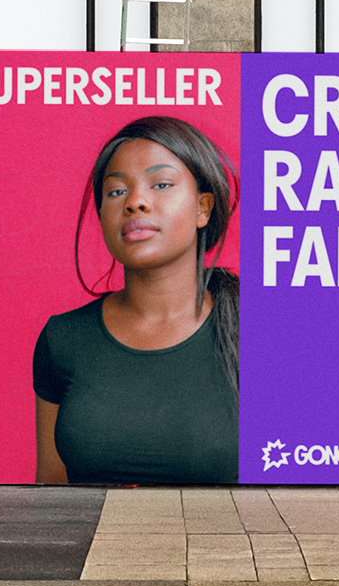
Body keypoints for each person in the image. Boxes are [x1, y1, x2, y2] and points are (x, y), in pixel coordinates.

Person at [33, 116, 240, 484]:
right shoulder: (64, 338)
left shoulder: (260, 331)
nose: (136, 202)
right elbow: (51, 495)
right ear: (101, 215)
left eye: (161, 184)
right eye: (115, 192)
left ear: (203, 208)